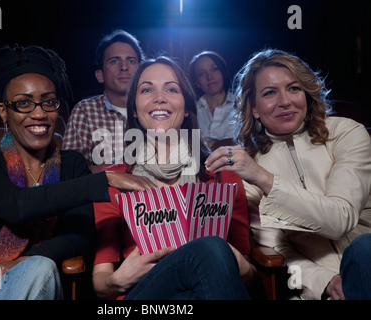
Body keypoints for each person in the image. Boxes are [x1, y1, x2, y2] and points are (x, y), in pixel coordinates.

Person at [0, 44, 154, 300]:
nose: (39, 114)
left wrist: (18, 263)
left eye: (48, 102)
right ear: (4, 111)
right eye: (24, 103)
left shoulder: (71, 164)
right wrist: (105, 179)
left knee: (40, 267)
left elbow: (79, 236)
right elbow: (16, 206)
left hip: (41, 285)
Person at [205, 48, 371, 300]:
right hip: (318, 292)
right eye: (270, 93)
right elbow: (278, 251)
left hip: (366, 262)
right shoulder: (249, 170)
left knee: (363, 248)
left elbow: (341, 219)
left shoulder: (348, 133)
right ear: (254, 108)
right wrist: (324, 281)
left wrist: (265, 179)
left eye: (293, 88)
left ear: (306, 93)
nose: (285, 101)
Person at [92, 56, 256, 300]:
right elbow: (100, 282)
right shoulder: (115, 181)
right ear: (134, 109)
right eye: (147, 89)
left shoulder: (224, 176)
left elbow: (250, 274)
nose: (160, 97)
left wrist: (232, 259)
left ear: (187, 106)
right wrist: (117, 279)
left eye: (171, 89)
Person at [62, 30, 144, 170]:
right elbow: (71, 172)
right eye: (114, 61)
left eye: (131, 61)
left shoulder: (156, 107)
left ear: (143, 71)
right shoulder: (85, 111)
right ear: (100, 75)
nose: (124, 67)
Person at [188, 51, 235, 149]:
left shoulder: (241, 106)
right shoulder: (190, 111)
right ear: (197, 82)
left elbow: (245, 143)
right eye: (201, 74)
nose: (210, 77)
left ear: (223, 73)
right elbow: (188, 144)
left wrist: (207, 144)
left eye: (214, 69)